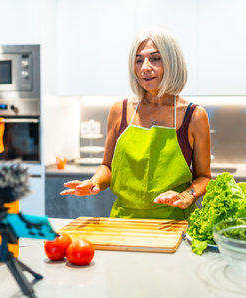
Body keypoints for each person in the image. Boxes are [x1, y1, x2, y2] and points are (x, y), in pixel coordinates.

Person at [60, 29, 212, 220]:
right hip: (123, 221)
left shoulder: (195, 116)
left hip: (174, 222)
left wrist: (186, 196)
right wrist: (93, 182)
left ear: (172, 63)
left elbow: (204, 177)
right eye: (139, 60)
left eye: (155, 59)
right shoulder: (120, 110)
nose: (144, 67)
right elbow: (107, 167)